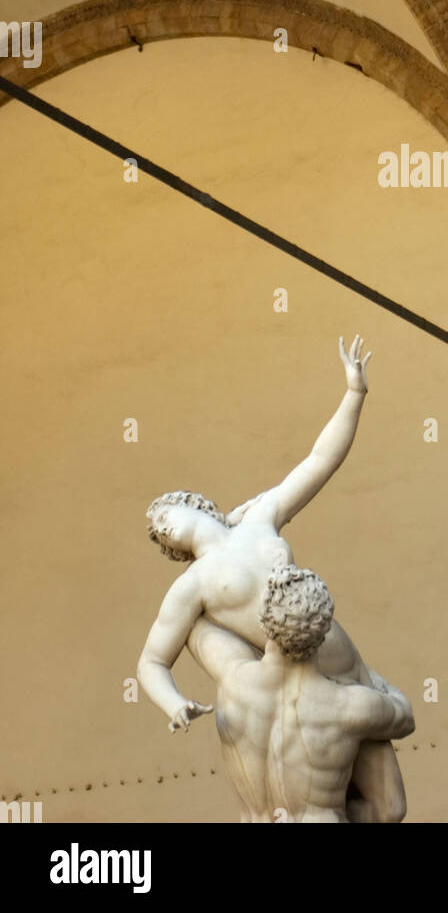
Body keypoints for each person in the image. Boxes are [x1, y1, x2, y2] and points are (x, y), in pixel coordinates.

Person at [137, 335, 406, 821]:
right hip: (304, 685)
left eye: (165, 513)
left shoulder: (261, 516)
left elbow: (319, 461)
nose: (163, 526)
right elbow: (153, 660)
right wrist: (172, 703)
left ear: (193, 502)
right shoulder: (193, 585)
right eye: (159, 532)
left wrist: (353, 393)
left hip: (348, 667)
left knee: (390, 811)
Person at [185, 563, 414, 824]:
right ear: (325, 631)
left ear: (263, 621)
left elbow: (194, 626)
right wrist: (360, 670)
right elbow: (405, 717)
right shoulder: (352, 707)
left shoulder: (233, 682)